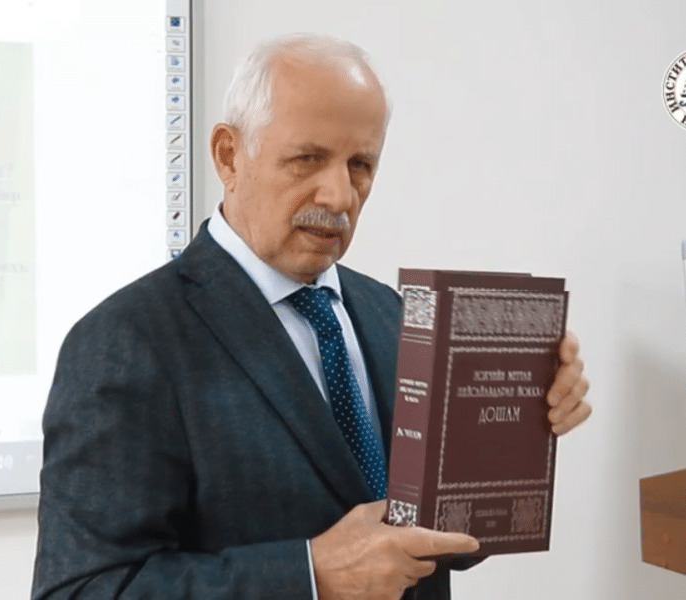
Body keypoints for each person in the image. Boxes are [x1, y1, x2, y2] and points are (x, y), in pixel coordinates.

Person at [31, 33, 591, 600]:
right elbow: (82, 589)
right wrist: (312, 576)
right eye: (308, 158)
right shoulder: (127, 341)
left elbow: (439, 534)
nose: (340, 196)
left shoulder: (395, 315)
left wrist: (517, 424)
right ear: (228, 155)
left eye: (360, 165)